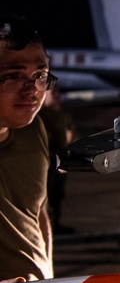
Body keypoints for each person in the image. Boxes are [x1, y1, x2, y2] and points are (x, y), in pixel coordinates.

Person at [0, 13, 54, 283]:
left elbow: (37, 214)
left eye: (40, 75)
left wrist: (50, 280)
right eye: (13, 75)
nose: (32, 89)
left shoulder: (33, 130)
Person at [37, 82, 76, 234]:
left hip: (61, 160)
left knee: (57, 194)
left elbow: (70, 130)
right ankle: (47, 228)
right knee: (46, 194)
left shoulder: (62, 114)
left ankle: (55, 224)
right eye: (53, 93)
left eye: (58, 92)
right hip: (48, 160)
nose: (57, 95)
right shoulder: (40, 115)